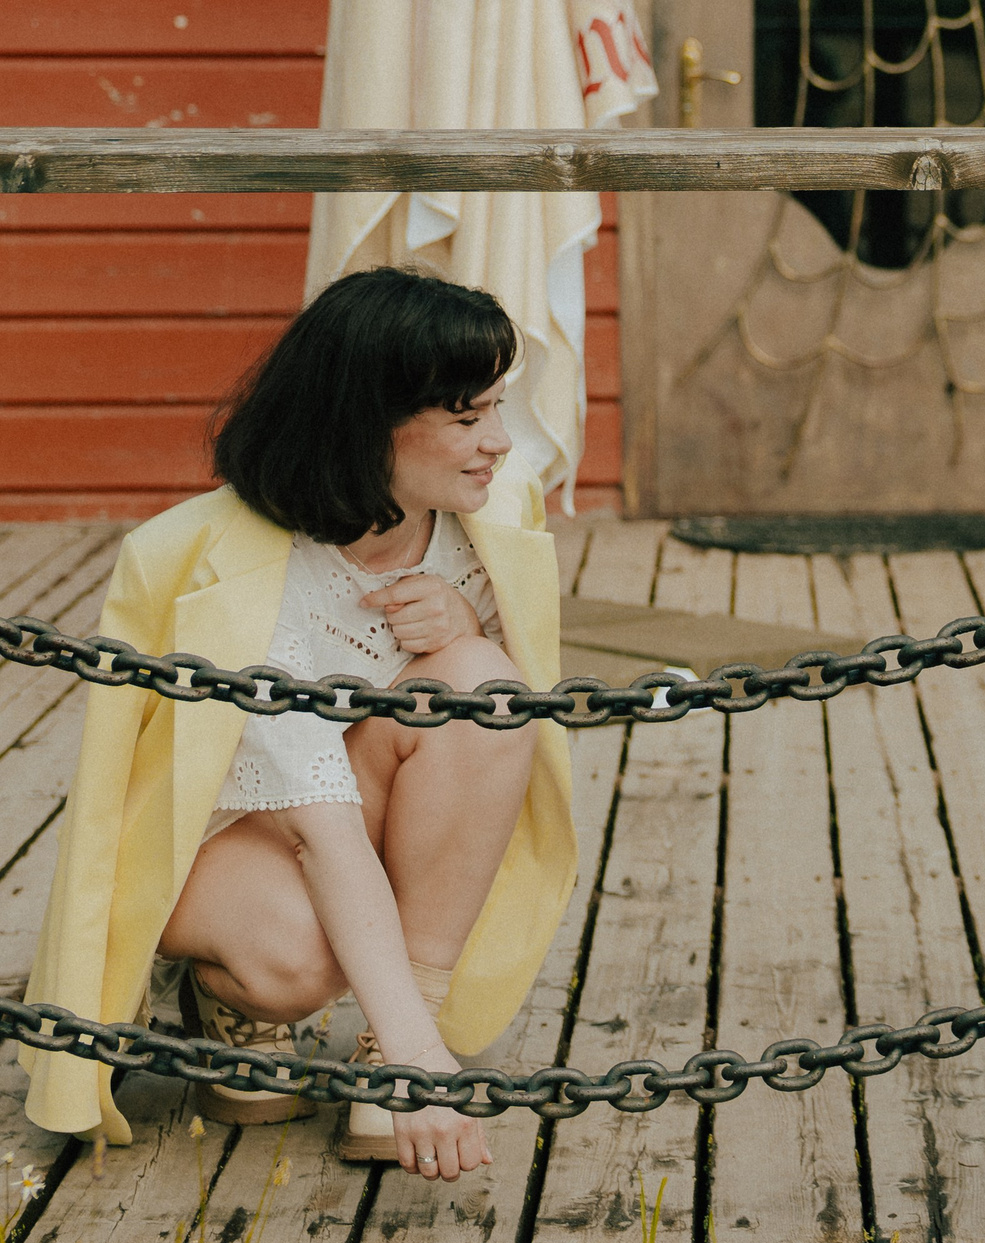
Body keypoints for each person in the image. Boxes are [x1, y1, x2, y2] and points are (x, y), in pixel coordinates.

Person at [22, 268, 578, 1181]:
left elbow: (477, 730)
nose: (500, 444)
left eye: (498, 409)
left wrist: (468, 624)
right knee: (298, 962)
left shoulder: (487, 517)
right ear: (368, 423)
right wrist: (422, 1070)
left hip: (361, 803)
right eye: (468, 418)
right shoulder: (244, 575)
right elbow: (322, 834)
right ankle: (232, 997)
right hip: (227, 835)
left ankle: (404, 1031)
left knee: (483, 684)